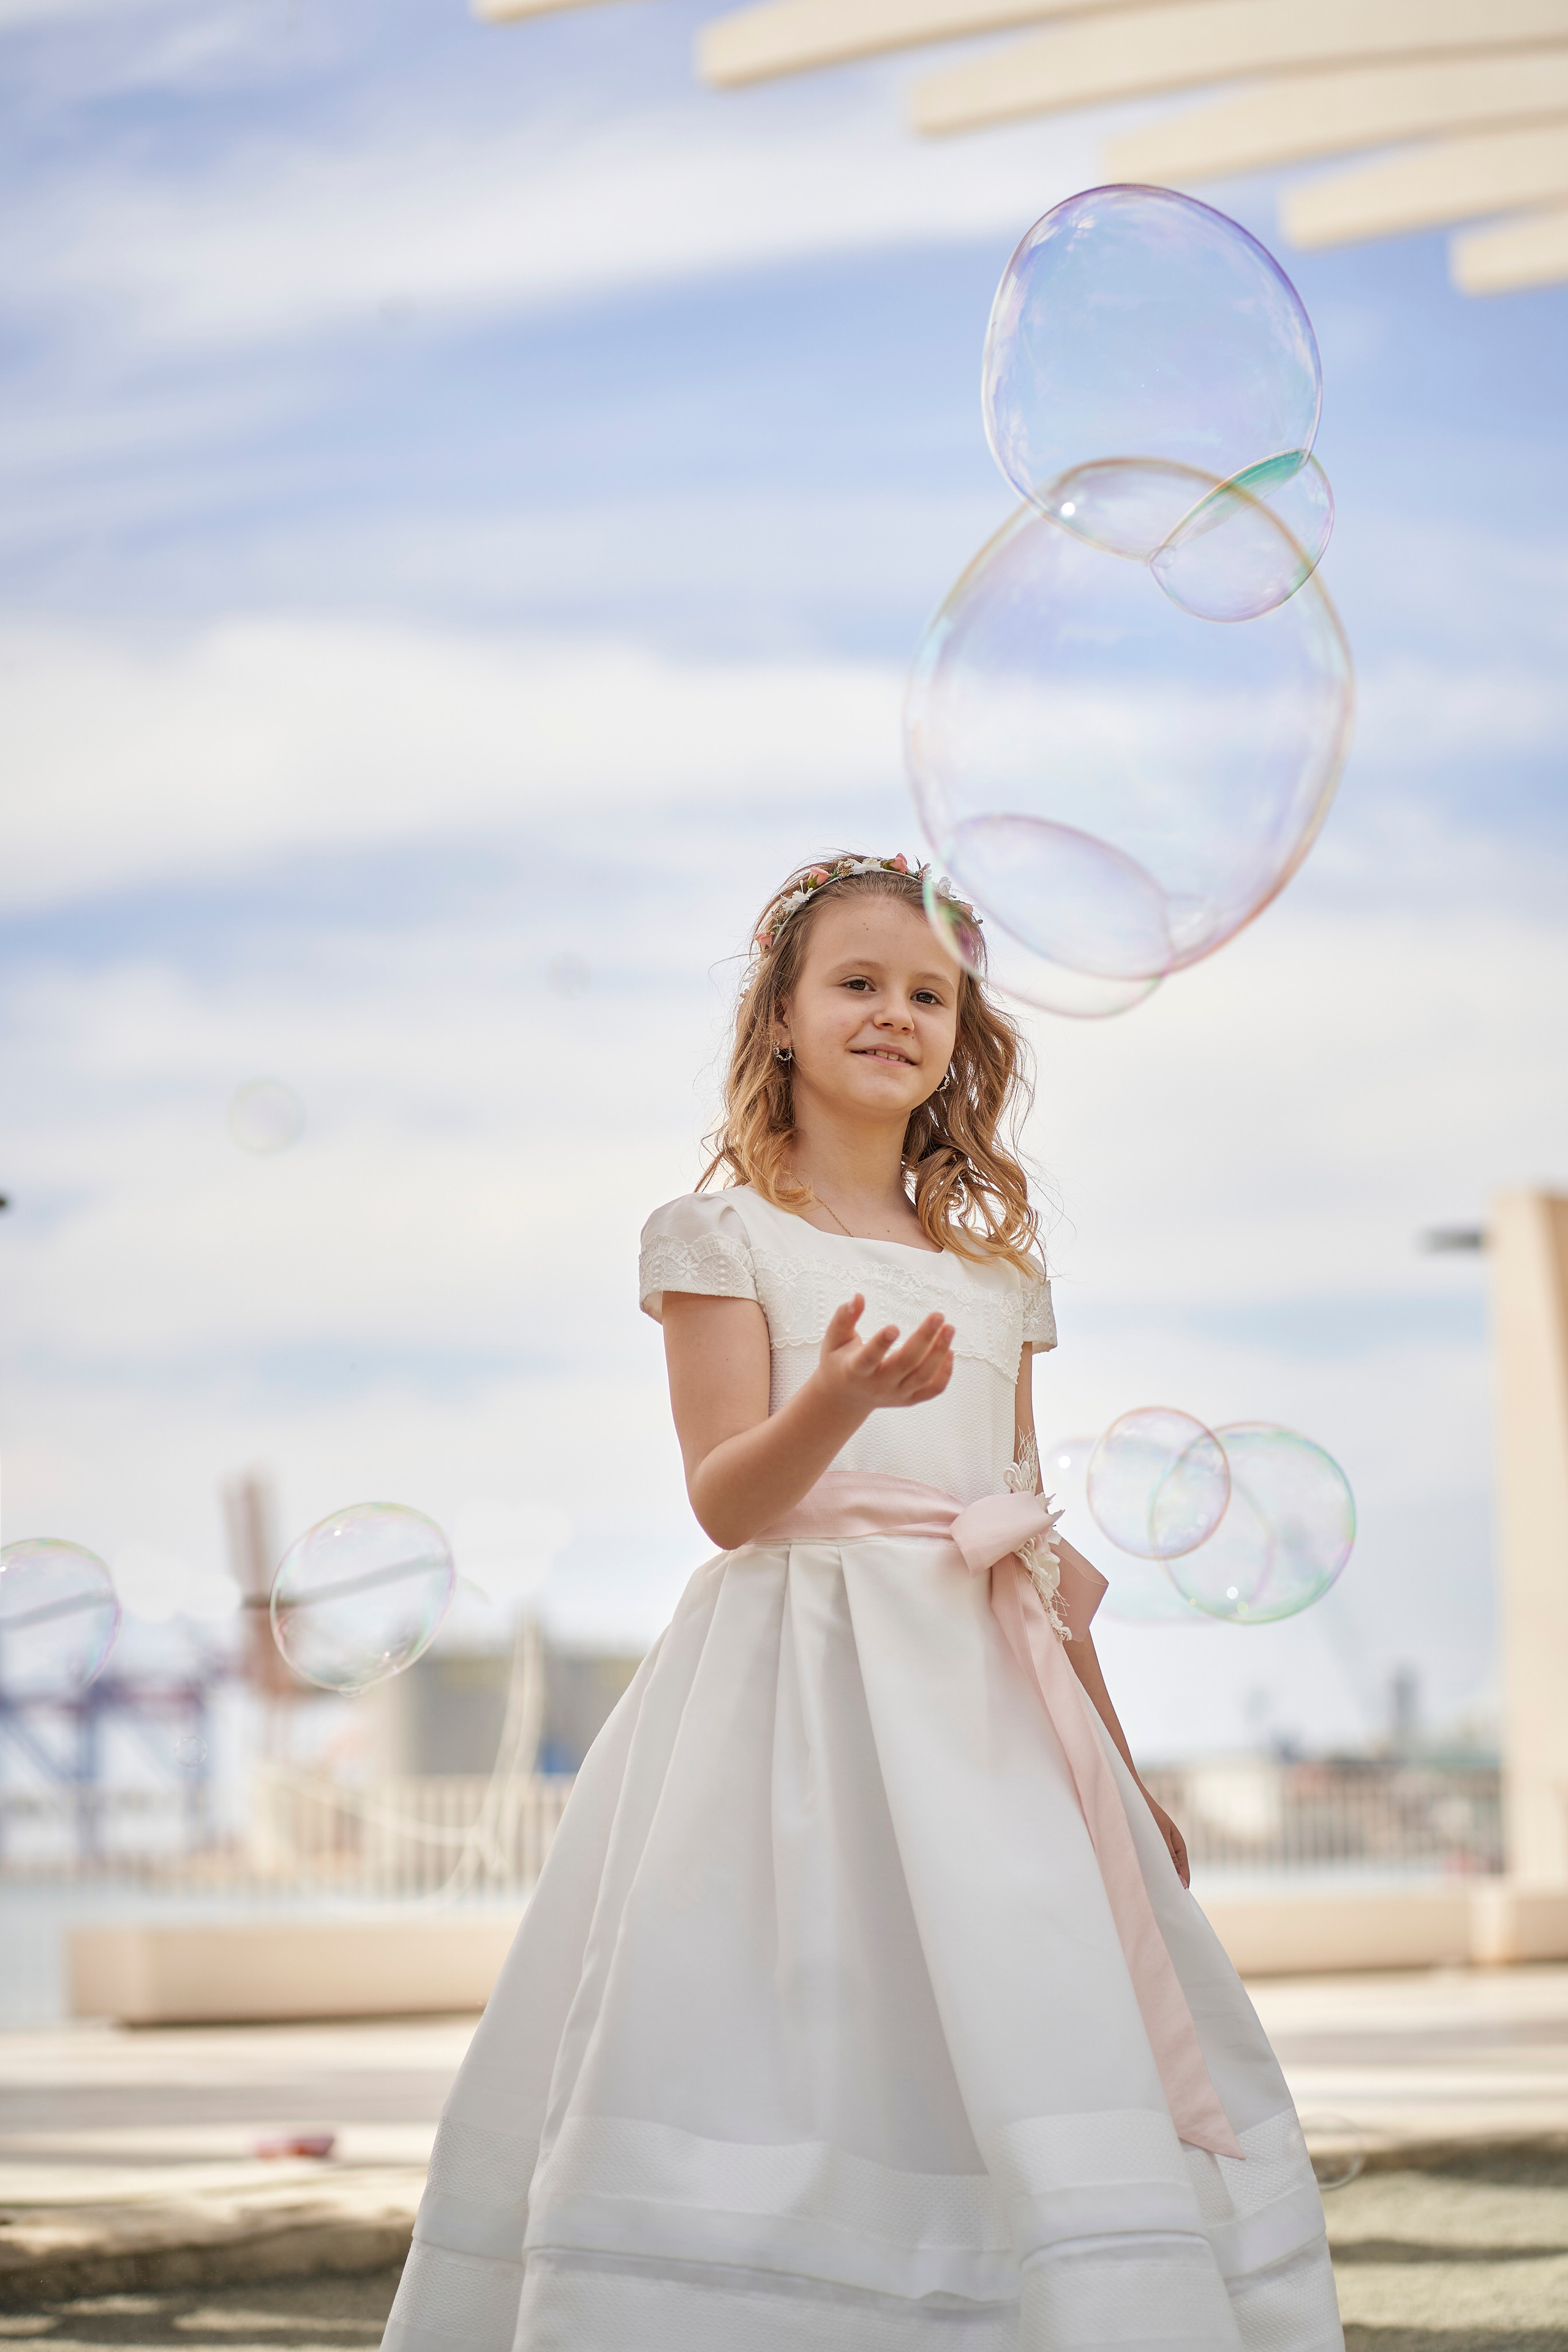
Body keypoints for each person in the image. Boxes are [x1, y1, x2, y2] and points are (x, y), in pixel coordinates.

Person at [382, 854, 1343, 2352]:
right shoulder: (716, 1239)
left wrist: (1116, 1765)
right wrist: (828, 1395)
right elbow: (727, 1502)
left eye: (928, 993)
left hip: (981, 1706)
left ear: (961, 1037)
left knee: (1008, 2003)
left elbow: (1022, 1540)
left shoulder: (993, 1277)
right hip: (794, 1698)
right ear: (777, 1019)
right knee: (795, 2015)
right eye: (856, 982)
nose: (893, 1012)